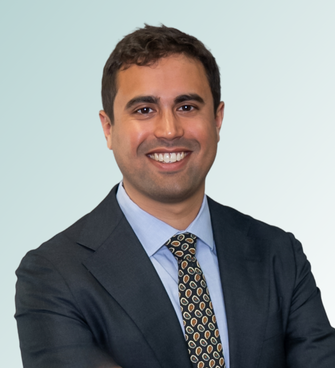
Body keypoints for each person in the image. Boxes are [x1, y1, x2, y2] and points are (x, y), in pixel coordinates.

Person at [15, 25, 335, 368]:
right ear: (108, 128)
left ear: (217, 119)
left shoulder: (279, 255)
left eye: (186, 107)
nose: (169, 130)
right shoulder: (52, 275)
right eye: (144, 110)